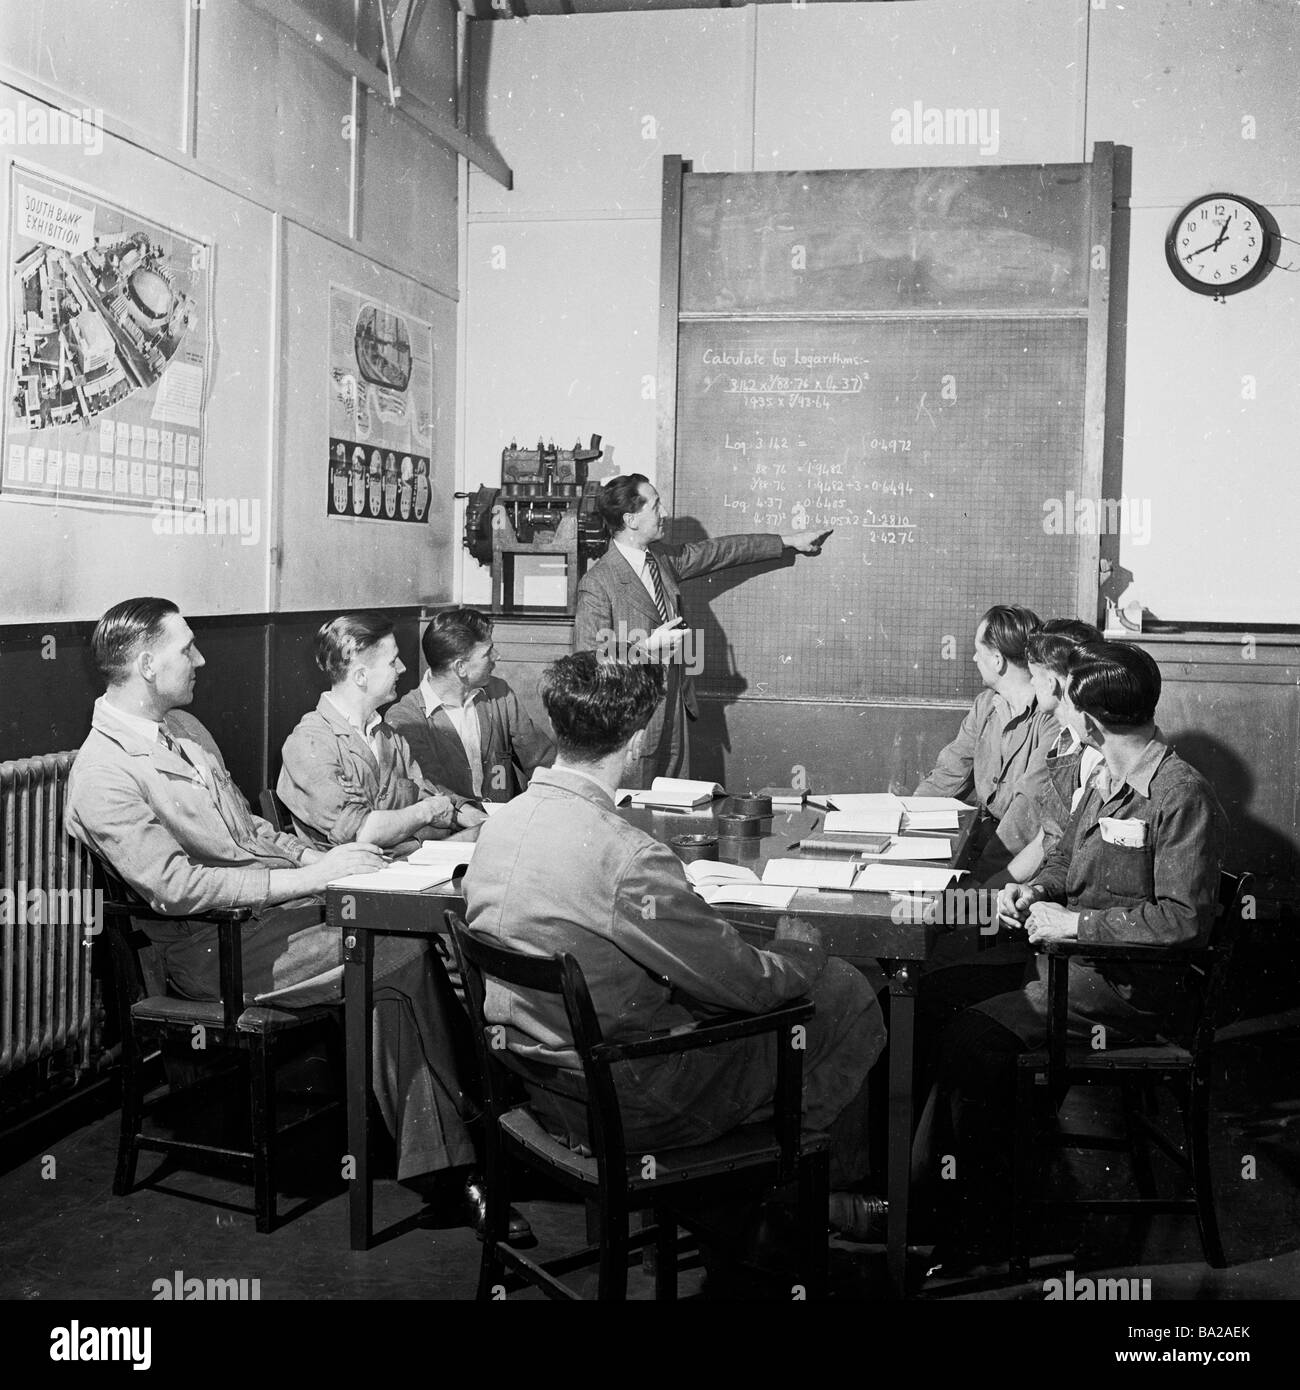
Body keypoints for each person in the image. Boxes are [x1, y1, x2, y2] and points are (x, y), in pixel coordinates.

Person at [464, 653, 887, 1242]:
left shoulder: (500, 826)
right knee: (846, 988)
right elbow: (750, 986)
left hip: (545, 1089)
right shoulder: (627, 857)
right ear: (636, 742)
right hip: (629, 1104)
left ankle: (750, 1199)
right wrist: (800, 954)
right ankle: (791, 1201)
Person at [64, 598, 479, 1194]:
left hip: (268, 917)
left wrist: (323, 860)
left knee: (404, 939)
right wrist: (314, 878)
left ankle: (439, 1133)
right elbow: (177, 887)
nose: (201, 658)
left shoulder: (183, 730)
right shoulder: (103, 772)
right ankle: (448, 1161)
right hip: (214, 950)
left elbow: (251, 830)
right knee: (394, 952)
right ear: (148, 665)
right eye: (187, 648)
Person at [914, 641, 1227, 1267]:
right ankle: (924, 1200)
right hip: (1072, 973)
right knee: (931, 1002)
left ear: (1090, 718)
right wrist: (1031, 891)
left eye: (1069, 703)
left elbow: (1184, 920)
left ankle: (987, 1226)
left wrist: (1074, 922)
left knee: (973, 1040)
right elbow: (1066, 864)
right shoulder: (1105, 778)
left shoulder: (1178, 794)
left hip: (1124, 993)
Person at [572, 474, 831, 788]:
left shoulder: (663, 560)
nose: (664, 512)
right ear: (631, 519)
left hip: (675, 715)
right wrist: (648, 647)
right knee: (635, 815)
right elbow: (586, 661)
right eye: (655, 506)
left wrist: (787, 541)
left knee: (674, 817)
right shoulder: (599, 583)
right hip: (633, 728)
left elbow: (721, 551)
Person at [276, 612, 487, 854]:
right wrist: (425, 813)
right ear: (361, 676)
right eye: (392, 661)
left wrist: (466, 815)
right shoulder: (309, 742)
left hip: (403, 868)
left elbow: (428, 794)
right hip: (347, 884)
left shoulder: (387, 736)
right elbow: (362, 831)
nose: (402, 668)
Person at [913, 604, 1058, 844]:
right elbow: (948, 776)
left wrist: (984, 879)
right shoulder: (985, 705)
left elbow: (1026, 817)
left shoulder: (1051, 719)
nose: (974, 658)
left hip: (1018, 857)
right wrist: (904, 818)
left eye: (978, 651)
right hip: (985, 842)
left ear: (997, 660)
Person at [977, 618, 1104, 885]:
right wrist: (990, 888)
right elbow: (1047, 839)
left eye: (1033, 677)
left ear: (1051, 683)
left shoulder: (1095, 751)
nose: (1031, 686)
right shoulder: (1067, 740)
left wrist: (989, 890)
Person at [387, 606, 554, 804]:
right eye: (488, 652)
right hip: (450, 830)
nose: (497, 656)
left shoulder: (499, 693)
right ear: (460, 667)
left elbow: (542, 760)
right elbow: (430, 791)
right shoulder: (404, 719)